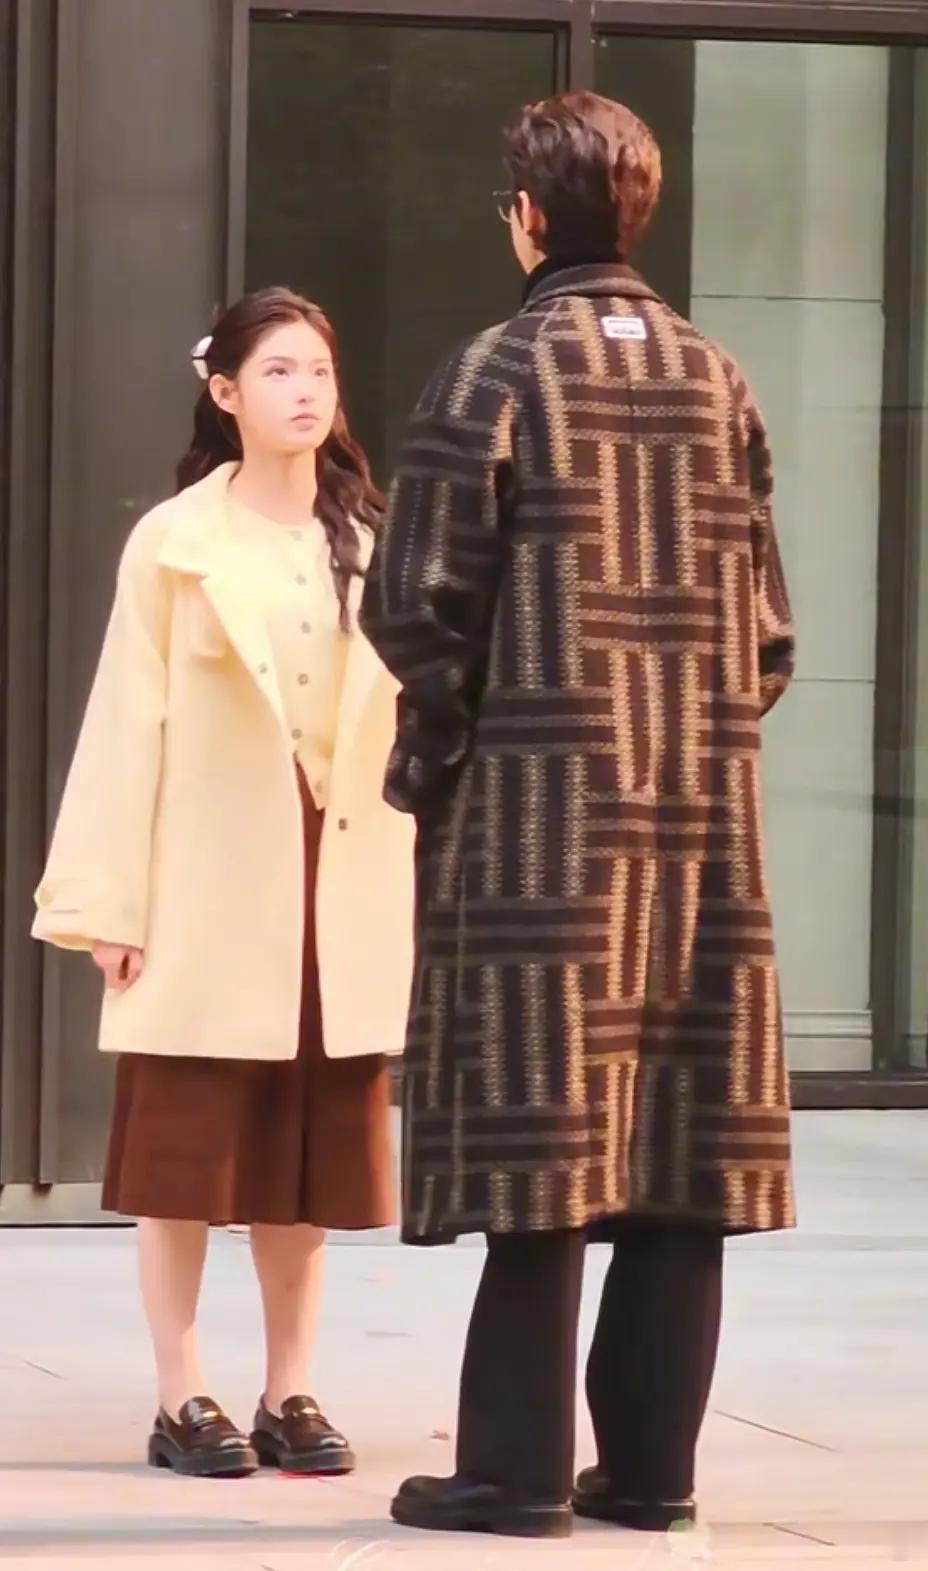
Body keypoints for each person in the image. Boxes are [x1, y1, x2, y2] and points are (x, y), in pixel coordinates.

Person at [361, 92, 796, 1540]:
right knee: (678, 1150)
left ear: (530, 216)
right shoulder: (716, 377)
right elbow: (769, 630)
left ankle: (515, 1474)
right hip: (700, 830)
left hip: (536, 824)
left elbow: (415, 603)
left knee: (538, 1149)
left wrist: (449, 753)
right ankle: (653, 1474)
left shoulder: (495, 369)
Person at [33, 287, 413, 1479]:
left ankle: (291, 1386)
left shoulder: (373, 536)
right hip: (204, 885)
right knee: (185, 1158)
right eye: (281, 371)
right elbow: (123, 722)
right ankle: (180, 1391)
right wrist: (110, 905)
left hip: (336, 880)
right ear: (225, 391)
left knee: (306, 1161)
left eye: (321, 371)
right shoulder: (174, 541)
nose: (307, 392)